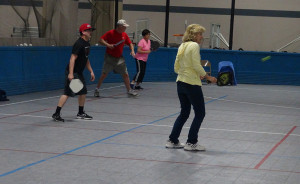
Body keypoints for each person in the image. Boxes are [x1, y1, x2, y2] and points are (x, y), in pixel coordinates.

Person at [165, 24, 217, 151]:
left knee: (184, 113)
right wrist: (207, 77)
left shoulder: (182, 46)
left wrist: (190, 74)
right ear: (194, 35)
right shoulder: (194, 46)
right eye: (200, 34)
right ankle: (191, 142)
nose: (201, 37)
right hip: (191, 85)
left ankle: (172, 140)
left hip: (181, 83)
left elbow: (176, 67)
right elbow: (196, 64)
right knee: (200, 113)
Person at [52, 23, 96, 122]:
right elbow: (72, 58)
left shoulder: (87, 44)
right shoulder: (79, 43)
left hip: (79, 72)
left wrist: (91, 71)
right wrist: (71, 74)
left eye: (91, 30)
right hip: (74, 72)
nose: (91, 32)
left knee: (83, 91)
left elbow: (86, 59)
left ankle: (80, 113)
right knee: (67, 92)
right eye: (89, 30)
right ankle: (56, 113)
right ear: (83, 32)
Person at [94, 19, 138, 97]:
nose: (125, 28)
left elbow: (130, 43)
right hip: (109, 58)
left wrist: (132, 50)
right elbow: (101, 40)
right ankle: (97, 89)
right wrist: (108, 45)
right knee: (104, 74)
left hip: (120, 58)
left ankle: (129, 91)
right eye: (124, 27)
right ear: (119, 27)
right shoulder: (110, 33)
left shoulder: (124, 35)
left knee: (125, 74)